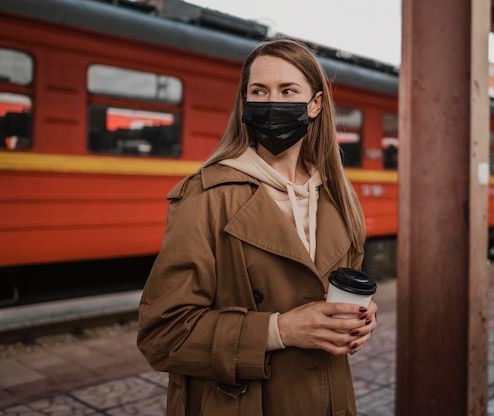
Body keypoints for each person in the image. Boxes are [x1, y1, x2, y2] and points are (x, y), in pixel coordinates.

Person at [137, 38, 378, 416]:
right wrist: (282, 330)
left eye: (287, 90)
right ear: (245, 103)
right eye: (259, 91)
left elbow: (341, 294)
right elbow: (163, 336)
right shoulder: (207, 196)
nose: (271, 102)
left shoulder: (338, 198)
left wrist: (361, 320)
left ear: (315, 104)